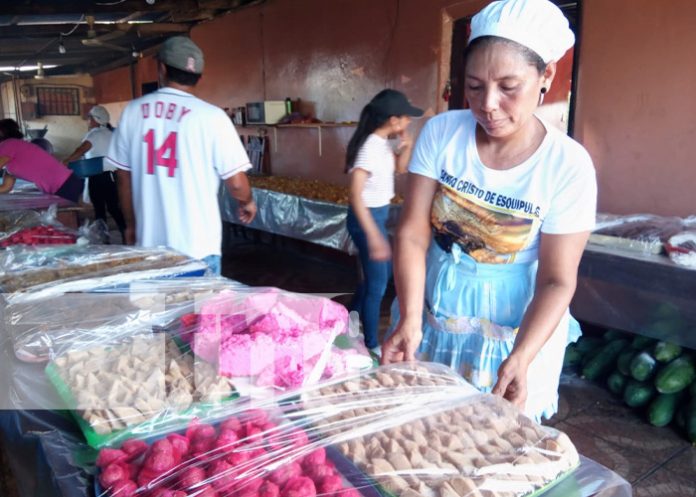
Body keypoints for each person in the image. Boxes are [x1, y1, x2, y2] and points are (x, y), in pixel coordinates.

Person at [382, 0, 597, 422]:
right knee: (420, 426)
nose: (489, 105)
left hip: (514, 324)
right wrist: (409, 317)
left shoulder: (567, 165)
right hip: (432, 301)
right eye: (475, 86)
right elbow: (411, 233)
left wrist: (522, 357)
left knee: (493, 440)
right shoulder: (444, 132)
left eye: (508, 86)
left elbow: (556, 280)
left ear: (545, 76)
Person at [105, 36, 256, 275]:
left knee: (156, 311)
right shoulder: (213, 117)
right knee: (198, 312)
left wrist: (132, 226)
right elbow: (237, 184)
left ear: (162, 69)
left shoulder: (132, 112)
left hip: (150, 247)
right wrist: (246, 202)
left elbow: (123, 179)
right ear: (200, 77)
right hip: (199, 247)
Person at [345, 90, 423, 357]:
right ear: (393, 119)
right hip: (365, 218)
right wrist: (374, 236)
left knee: (376, 278)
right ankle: (370, 345)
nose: (408, 122)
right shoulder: (369, 147)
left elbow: (400, 169)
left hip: (377, 216)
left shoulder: (381, 144)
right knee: (378, 284)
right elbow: (355, 195)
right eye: (405, 118)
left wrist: (407, 145)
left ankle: (348, 318)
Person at [65, 105, 127, 241]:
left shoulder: (94, 134)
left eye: (90, 118)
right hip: (113, 176)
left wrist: (66, 161)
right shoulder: (112, 133)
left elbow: (81, 149)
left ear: (95, 120)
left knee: (100, 209)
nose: (88, 121)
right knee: (113, 207)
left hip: (98, 176)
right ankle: (125, 234)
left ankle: (105, 239)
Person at [0, 118, 84, 202]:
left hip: (64, 184)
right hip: (63, 184)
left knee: (68, 213)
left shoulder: (8, 144)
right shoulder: (12, 153)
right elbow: (6, 187)